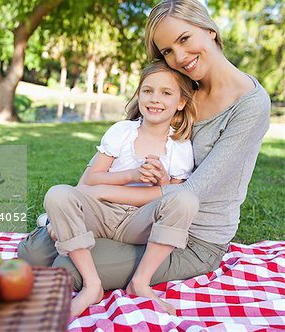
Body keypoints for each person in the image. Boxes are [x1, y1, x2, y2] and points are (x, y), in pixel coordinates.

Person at [18, 0, 270, 318]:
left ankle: (128, 275)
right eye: (166, 51)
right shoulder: (181, 85)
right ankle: (91, 236)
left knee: (67, 267)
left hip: (192, 236)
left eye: (184, 39)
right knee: (32, 252)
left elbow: (193, 192)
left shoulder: (250, 105)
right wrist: (86, 201)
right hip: (139, 215)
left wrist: (95, 193)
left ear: (210, 30)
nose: (178, 58)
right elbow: (118, 150)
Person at [43, 59, 197, 317]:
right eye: (147, 91)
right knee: (57, 194)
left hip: (139, 224)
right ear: (138, 95)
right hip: (102, 214)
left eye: (166, 93)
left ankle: (140, 282)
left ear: (181, 102)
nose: (154, 99)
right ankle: (92, 285)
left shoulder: (180, 147)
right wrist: (132, 174)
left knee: (186, 200)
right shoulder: (122, 131)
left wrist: (163, 181)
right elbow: (92, 179)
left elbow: (174, 196)